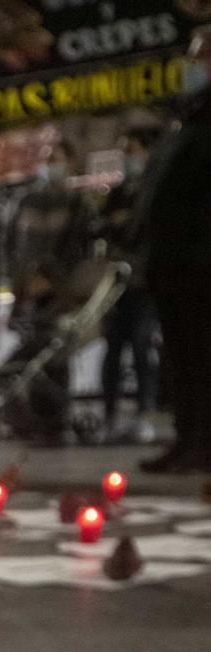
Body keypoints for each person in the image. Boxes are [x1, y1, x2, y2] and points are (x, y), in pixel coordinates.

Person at [139, 32, 211, 472]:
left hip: (199, 260)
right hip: (176, 261)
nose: (192, 65)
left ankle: (202, 441)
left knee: (201, 356)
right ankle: (191, 438)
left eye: (201, 57)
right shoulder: (191, 118)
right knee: (184, 356)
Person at [4, 137, 93, 441]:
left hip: (57, 295)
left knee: (54, 356)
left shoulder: (78, 205)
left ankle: (55, 422)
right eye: (47, 158)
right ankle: (33, 419)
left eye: (57, 158)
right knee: (28, 357)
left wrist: (52, 279)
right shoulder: (26, 202)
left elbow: (77, 250)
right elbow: (10, 246)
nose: (50, 165)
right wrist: (18, 282)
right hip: (26, 292)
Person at [99, 126, 160, 445]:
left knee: (140, 346)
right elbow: (105, 228)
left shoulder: (155, 187)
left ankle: (144, 413)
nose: (128, 158)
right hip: (118, 283)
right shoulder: (119, 192)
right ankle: (110, 414)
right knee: (113, 349)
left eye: (133, 151)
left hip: (144, 282)